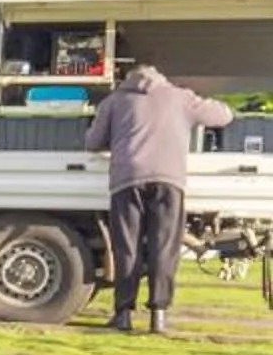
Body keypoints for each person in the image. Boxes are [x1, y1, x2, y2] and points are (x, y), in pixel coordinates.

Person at [82, 64, 232, 332]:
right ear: (161, 77)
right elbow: (223, 116)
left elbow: (92, 142)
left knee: (127, 248)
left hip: (127, 179)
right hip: (168, 180)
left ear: (129, 78)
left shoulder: (115, 100)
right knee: (165, 247)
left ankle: (123, 314)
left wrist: (119, 138)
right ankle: (158, 315)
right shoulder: (181, 97)